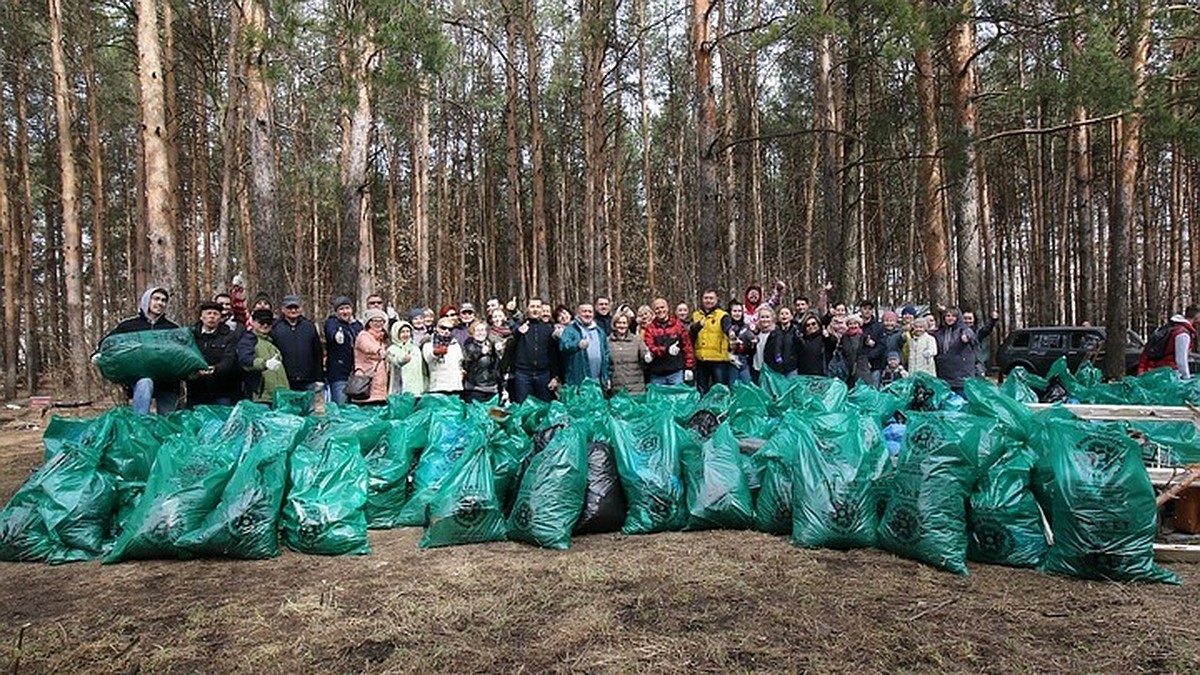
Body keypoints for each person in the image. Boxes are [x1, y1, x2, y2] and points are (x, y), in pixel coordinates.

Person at [96, 287, 181, 415]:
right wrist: (98, 354)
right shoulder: (129, 326)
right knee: (145, 382)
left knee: (169, 422)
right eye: (156, 299)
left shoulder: (172, 328)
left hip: (167, 382)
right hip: (139, 377)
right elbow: (109, 342)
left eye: (163, 300)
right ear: (147, 300)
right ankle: (139, 426)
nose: (160, 303)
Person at [506, 298, 562, 402]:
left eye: (538, 307)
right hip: (523, 374)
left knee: (544, 408)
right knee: (523, 408)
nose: (535, 310)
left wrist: (555, 376)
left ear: (541, 309)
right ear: (527, 309)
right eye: (532, 307)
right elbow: (509, 347)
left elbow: (553, 355)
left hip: (543, 374)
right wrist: (518, 333)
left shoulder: (549, 330)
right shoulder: (520, 326)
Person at [188, 301, 241, 407]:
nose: (212, 316)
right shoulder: (191, 335)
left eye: (215, 314)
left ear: (220, 318)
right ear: (201, 317)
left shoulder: (229, 336)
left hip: (221, 392)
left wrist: (216, 369)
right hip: (195, 391)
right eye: (208, 313)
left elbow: (230, 359)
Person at [270, 295, 325, 395]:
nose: (293, 310)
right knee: (287, 410)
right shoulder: (275, 328)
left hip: (310, 380)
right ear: (283, 309)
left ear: (301, 308)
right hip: (285, 381)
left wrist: (319, 378)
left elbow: (317, 353)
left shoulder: (309, 327)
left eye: (296, 307)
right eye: (289, 308)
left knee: (317, 409)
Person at [238, 308, 289, 404]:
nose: (265, 325)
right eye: (261, 322)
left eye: (268, 323)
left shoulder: (272, 341)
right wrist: (265, 363)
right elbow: (245, 360)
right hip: (261, 397)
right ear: (252, 322)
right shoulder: (249, 340)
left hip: (279, 396)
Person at [688, 290, 733, 393]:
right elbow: (691, 333)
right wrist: (698, 325)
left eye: (711, 298)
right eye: (706, 298)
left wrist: (730, 333)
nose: (708, 301)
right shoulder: (696, 315)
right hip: (701, 359)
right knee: (702, 388)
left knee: (720, 389)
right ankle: (703, 408)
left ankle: (721, 408)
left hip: (718, 359)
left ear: (716, 300)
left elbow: (727, 327)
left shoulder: (722, 315)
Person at [644, 297, 694, 385]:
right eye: (657, 308)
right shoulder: (650, 328)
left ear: (667, 308)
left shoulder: (678, 326)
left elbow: (687, 347)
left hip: (676, 373)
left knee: (678, 398)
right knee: (658, 399)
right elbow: (650, 347)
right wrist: (667, 350)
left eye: (662, 307)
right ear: (654, 311)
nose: (660, 310)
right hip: (657, 374)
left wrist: (689, 367)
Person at [1138, 306, 1200, 377]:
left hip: (1157, 370)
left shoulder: (1172, 327)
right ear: (1197, 316)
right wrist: (1186, 377)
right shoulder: (1183, 334)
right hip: (1169, 373)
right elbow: (1181, 360)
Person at [323, 296, 363, 404]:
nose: (345, 312)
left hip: (357, 373)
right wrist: (335, 335)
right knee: (341, 404)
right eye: (341, 309)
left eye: (347, 308)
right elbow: (330, 332)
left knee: (357, 407)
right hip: (339, 373)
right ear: (336, 312)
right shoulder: (332, 323)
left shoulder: (357, 325)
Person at [560, 303, 610, 387]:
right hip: (578, 380)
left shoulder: (600, 331)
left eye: (590, 312)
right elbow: (563, 347)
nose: (587, 314)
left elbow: (606, 354)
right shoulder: (570, 330)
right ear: (578, 313)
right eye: (584, 311)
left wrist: (606, 377)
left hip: (598, 380)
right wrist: (577, 345)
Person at [933, 307, 977, 393]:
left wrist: (966, 337)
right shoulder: (939, 333)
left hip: (961, 377)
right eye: (948, 316)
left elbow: (970, 334)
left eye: (953, 316)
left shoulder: (963, 330)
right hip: (944, 375)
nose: (950, 318)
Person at [462, 319, 504, 402]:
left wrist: (503, 388)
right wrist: (479, 352)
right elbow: (467, 363)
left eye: (482, 330)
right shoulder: (468, 346)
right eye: (477, 330)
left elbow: (499, 369)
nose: (480, 333)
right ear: (472, 333)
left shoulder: (492, 346)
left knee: (493, 414)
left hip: (493, 389)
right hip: (475, 389)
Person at [607, 312, 649, 395]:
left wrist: (648, 356)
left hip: (636, 388)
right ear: (614, 324)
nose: (622, 326)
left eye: (624, 323)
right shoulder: (607, 342)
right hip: (617, 387)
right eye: (619, 323)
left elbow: (645, 357)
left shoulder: (637, 340)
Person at [423, 317, 465, 394]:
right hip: (438, 386)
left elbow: (460, 360)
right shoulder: (429, 343)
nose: (446, 331)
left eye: (450, 329)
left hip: (455, 386)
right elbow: (428, 359)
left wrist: (461, 372)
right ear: (436, 328)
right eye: (443, 328)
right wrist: (436, 353)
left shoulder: (455, 344)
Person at [386, 320, 425, 396]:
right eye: (402, 332)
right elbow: (396, 361)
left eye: (407, 331)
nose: (406, 334)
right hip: (399, 390)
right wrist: (403, 360)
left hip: (416, 390)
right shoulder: (392, 349)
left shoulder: (415, 349)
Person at [963, 309, 1000, 376]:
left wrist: (992, 320)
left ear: (974, 320)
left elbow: (986, 329)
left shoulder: (977, 333)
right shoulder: (956, 333)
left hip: (975, 367)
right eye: (965, 318)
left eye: (970, 319)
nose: (967, 321)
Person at [727, 300, 752, 384]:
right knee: (734, 385)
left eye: (739, 311)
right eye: (734, 311)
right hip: (730, 360)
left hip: (744, 359)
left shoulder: (746, 327)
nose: (737, 313)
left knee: (747, 383)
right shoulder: (727, 327)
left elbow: (751, 345)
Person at [795, 312, 826, 376]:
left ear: (818, 324)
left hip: (822, 376)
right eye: (808, 325)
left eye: (813, 324)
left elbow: (832, 342)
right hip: (804, 375)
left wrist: (828, 336)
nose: (811, 326)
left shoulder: (824, 338)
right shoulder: (801, 340)